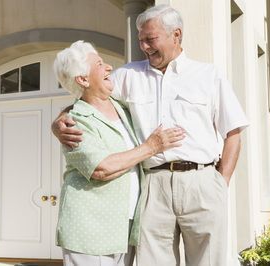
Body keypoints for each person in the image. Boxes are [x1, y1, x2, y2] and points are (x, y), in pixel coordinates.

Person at [52, 5, 249, 266]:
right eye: (140, 40)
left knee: (210, 261)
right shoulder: (128, 75)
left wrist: (219, 184)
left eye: (150, 39)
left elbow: (233, 132)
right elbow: (89, 98)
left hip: (201, 181)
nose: (144, 46)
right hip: (153, 185)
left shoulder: (209, 76)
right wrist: (58, 121)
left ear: (176, 35)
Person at [53, 40, 185, 266]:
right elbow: (101, 168)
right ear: (83, 79)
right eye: (99, 64)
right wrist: (151, 147)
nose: (108, 68)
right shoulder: (75, 121)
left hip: (125, 224)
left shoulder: (122, 107)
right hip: (90, 227)